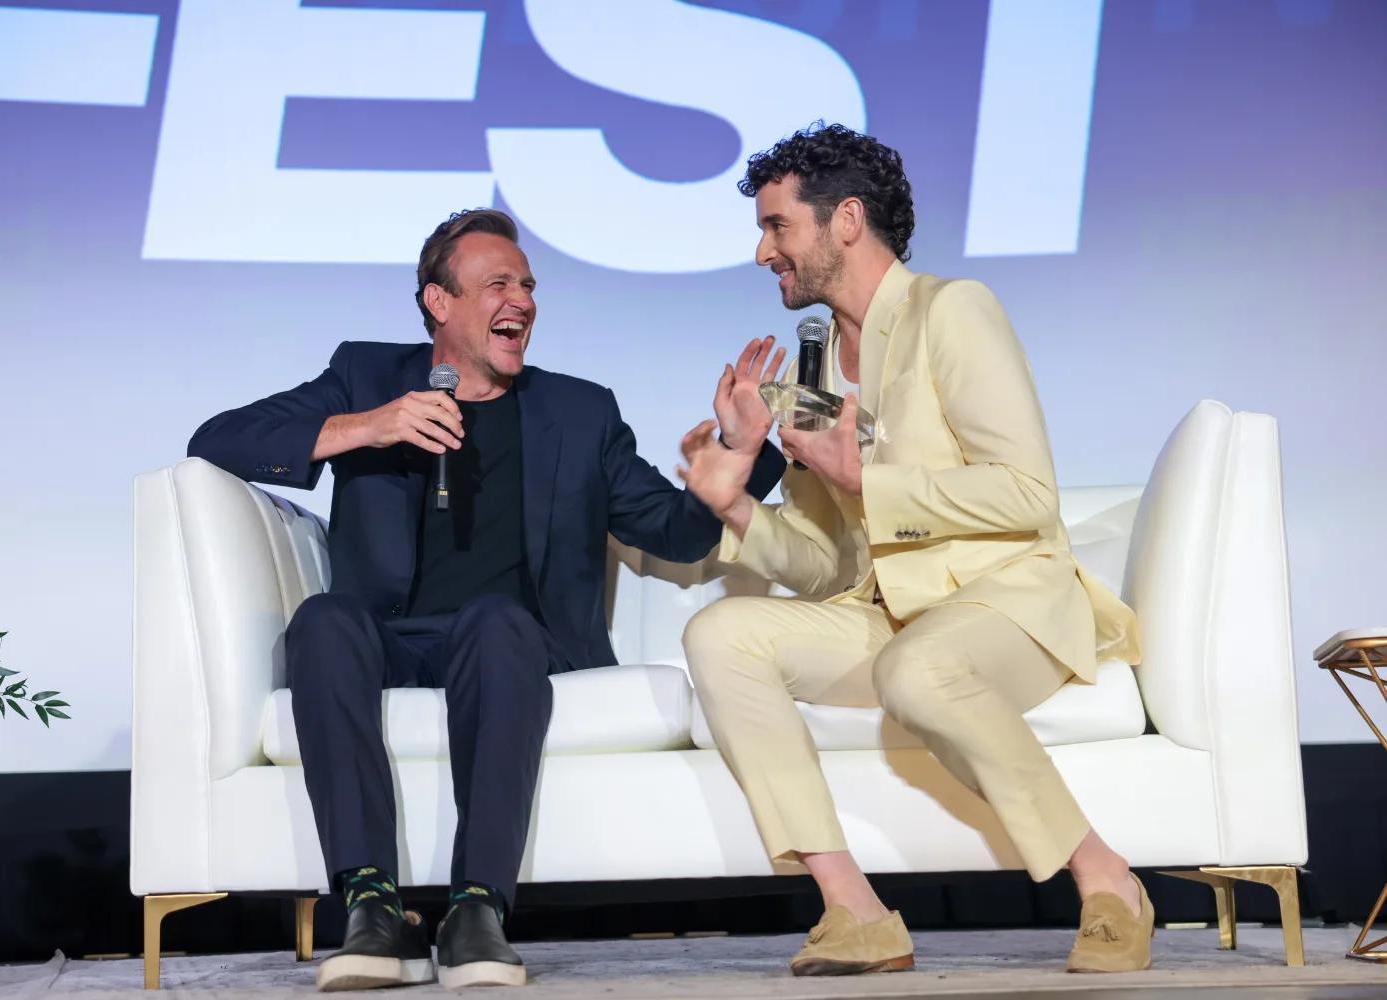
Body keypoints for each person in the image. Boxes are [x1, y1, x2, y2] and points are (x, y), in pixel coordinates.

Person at [188, 208, 786, 991]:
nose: (523, 300)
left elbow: (675, 533)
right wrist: (367, 426)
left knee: (495, 618)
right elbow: (217, 440)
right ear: (439, 302)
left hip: (512, 646)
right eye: (498, 283)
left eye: (529, 286)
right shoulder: (367, 376)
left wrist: (741, 455)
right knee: (326, 618)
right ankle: (371, 905)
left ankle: (478, 909)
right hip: (390, 640)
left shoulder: (580, 412)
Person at [675, 124, 1147, 977]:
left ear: (845, 219)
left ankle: (1107, 878)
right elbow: (827, 561)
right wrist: (734, 502)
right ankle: (854, 913)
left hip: (1005, 601)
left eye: (777, 226)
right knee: (720, 634)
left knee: (916, 671)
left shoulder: (951, 309)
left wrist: (867, 480)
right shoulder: (812, 375)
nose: (761, 251)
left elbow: (1028, 493)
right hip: (889, 618)